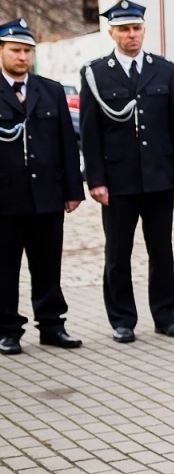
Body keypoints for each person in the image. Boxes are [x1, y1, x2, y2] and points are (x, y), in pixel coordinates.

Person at [79, 0, 174, 343]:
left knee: (162, 251)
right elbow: (90, 131)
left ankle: (166, 316)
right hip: (119, 180)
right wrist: (95, 179)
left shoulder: (163, 69)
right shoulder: (96, 73)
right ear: (111, 32)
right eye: (124, 29)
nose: (131, 35)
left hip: (158, 177)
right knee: (118, 253)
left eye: (136, 28)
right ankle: (122, 319)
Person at [0, 18, 84, 355]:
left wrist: (72, 190)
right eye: (16, 51)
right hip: (6, 199)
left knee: (48, 267)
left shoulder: (49, 90)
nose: (23, 57)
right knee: (5, 270)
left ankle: (52, 326)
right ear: (2, 52)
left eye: (27, 51)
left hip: (46, 196)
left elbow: (66, 142)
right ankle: (7, 330)